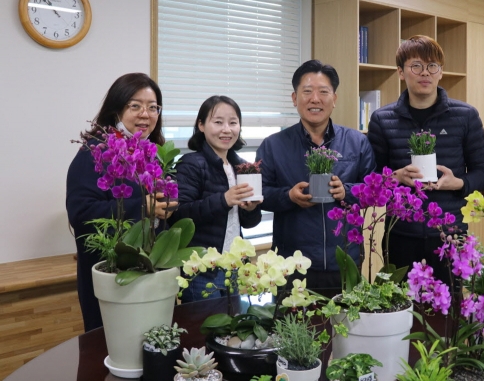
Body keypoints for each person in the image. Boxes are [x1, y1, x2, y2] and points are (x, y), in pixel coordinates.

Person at [366, 35, 484, 284]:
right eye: (416, 66)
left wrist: (458, 183)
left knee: (449, 311)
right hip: (400, 234)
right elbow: (372, 178)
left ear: (441, 72)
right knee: (399, 312)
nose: (425, 73)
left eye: (432, 66)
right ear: (401, 72)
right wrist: (395, 177)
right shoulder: (382, 119)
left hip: (450, 234)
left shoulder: (465, 116)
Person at [66, 73, 176, 332]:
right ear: (116, 109)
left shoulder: (152, 152)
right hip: (112, 274)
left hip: (152, 275)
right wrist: (142, 208)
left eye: (152, 107)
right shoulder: (94, 152)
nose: (145, 114)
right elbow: (81, 215)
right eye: (135, 105)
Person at [256, 60, 375, 289]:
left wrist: (346, 192)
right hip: (291, 264)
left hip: (344, 260)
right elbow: (259, 195)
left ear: (334, 99)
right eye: (307, 92)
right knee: (291, 325)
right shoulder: (273, 146)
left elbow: (373, 189)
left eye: (323, 92)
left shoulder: (357, 142)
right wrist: (288, 196)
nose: (315, 99)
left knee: (345, 324)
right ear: (294, 98)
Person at [172, 95, 262, 303]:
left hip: (233, 264)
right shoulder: (191, 164)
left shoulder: (242, 167)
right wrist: (223, 200)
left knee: (231, 329)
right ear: (201, 125)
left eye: (233, 122)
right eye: (218, 122)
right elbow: (179, 215)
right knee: (203, 331)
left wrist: (251, 210)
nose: (226, 129)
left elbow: (247, 224)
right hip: (201, 269)